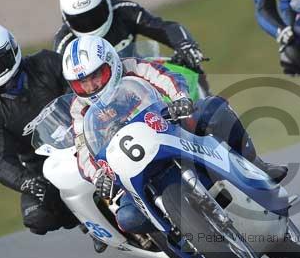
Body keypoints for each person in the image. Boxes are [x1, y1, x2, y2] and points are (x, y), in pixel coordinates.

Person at [62, 36, 288, 247]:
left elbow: (166, 77)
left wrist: (180, 98)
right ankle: (173, 238)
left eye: (95, 76)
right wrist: (97, 175)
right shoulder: (78, 108)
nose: (91, 87)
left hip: (168, 130)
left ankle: (256, 165)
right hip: (129, 163)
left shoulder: (132, 67)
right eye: (82, 83)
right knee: (128, 217)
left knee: (213, 109)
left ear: (111, 63)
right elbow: (82, 150)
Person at [0, 25, 78, 236]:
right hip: (42, 165)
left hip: (83, 137)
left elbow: (81, 92)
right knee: (37, 218)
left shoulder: (47, 62)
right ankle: (86, 222)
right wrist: (26, 182)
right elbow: (0, 159)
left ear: (12, 52)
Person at [53, 0, 209, 92]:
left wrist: (185, 44)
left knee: (191, 72)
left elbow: (163, 28)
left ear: (106, 1)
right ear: (66, 19)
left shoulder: (124, 10)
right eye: (79, 20)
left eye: (94, 15)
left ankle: (211, 113)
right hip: (102, 98)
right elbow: (63, 86)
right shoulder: (64, 42)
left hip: (142, 77)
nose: (88, 23)